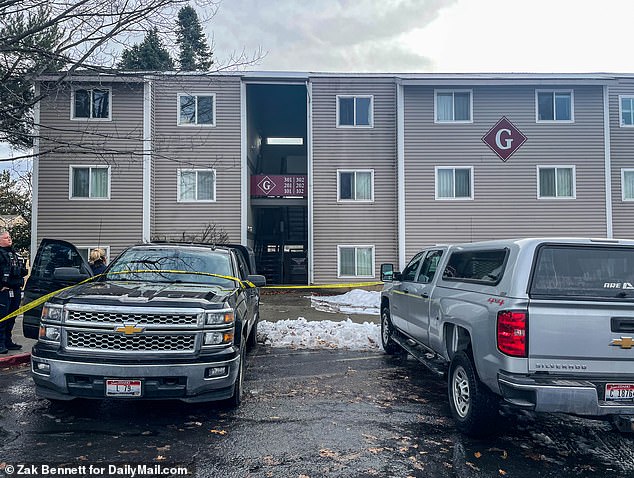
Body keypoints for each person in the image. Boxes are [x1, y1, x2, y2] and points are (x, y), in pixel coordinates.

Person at [0, 229, 28, 353]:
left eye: (10, 237)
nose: (10, 239)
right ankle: (0, 343)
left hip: (15, 290)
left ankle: (7, 341)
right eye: (6, 238)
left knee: (12, 317)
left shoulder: (14, 254)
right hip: (3, 292)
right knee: (3, 318)